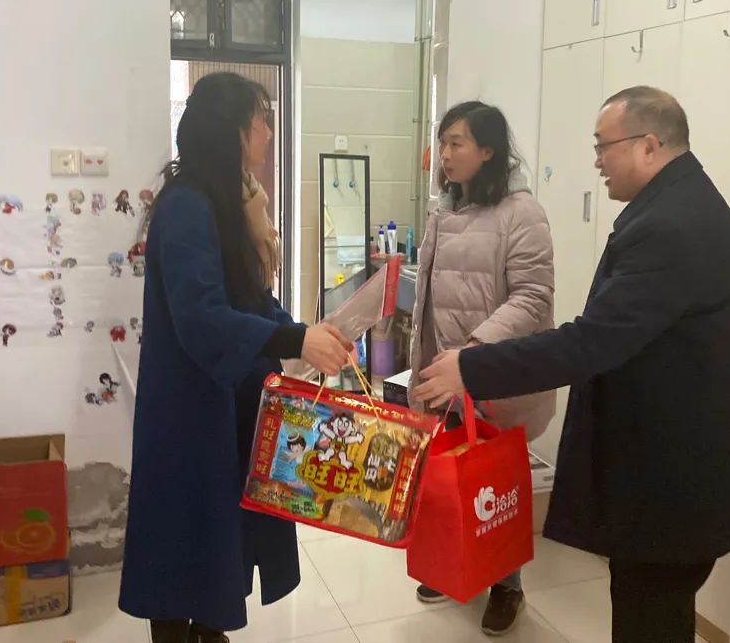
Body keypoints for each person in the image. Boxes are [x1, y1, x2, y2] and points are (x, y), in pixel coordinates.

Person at [414, 87, 730, 643]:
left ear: (649, 145)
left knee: (650, 617)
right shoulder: (674, 205)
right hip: (670, 466)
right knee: (652, 611)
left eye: (604, 146)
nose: (596, 161)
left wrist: (473, 367)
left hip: (674, 476)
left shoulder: (670, 226)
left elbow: (591, 341)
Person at [119, 73, 352, 643]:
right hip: (189, 410)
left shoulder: (228, 201)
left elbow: (250, 300)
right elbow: (202, 317)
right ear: (230, 131)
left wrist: (304, 332)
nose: (269, 133)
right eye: (261, 122)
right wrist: (296, 343)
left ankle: (209, 629)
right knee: (180, 540)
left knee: (219, 534)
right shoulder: (186, 206)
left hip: (228, 400)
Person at [408, 101, 556, 636]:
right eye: (443, 142)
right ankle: (455, 564)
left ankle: (506, 585)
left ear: (488, 151)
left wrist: (475, 352)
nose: (445, 154)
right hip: (443, 373)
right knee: (450, 474)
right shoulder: (444, 210)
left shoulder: (521, 213)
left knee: (495, 485)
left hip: (492, 370)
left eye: (457, 143)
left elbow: (533, 296)